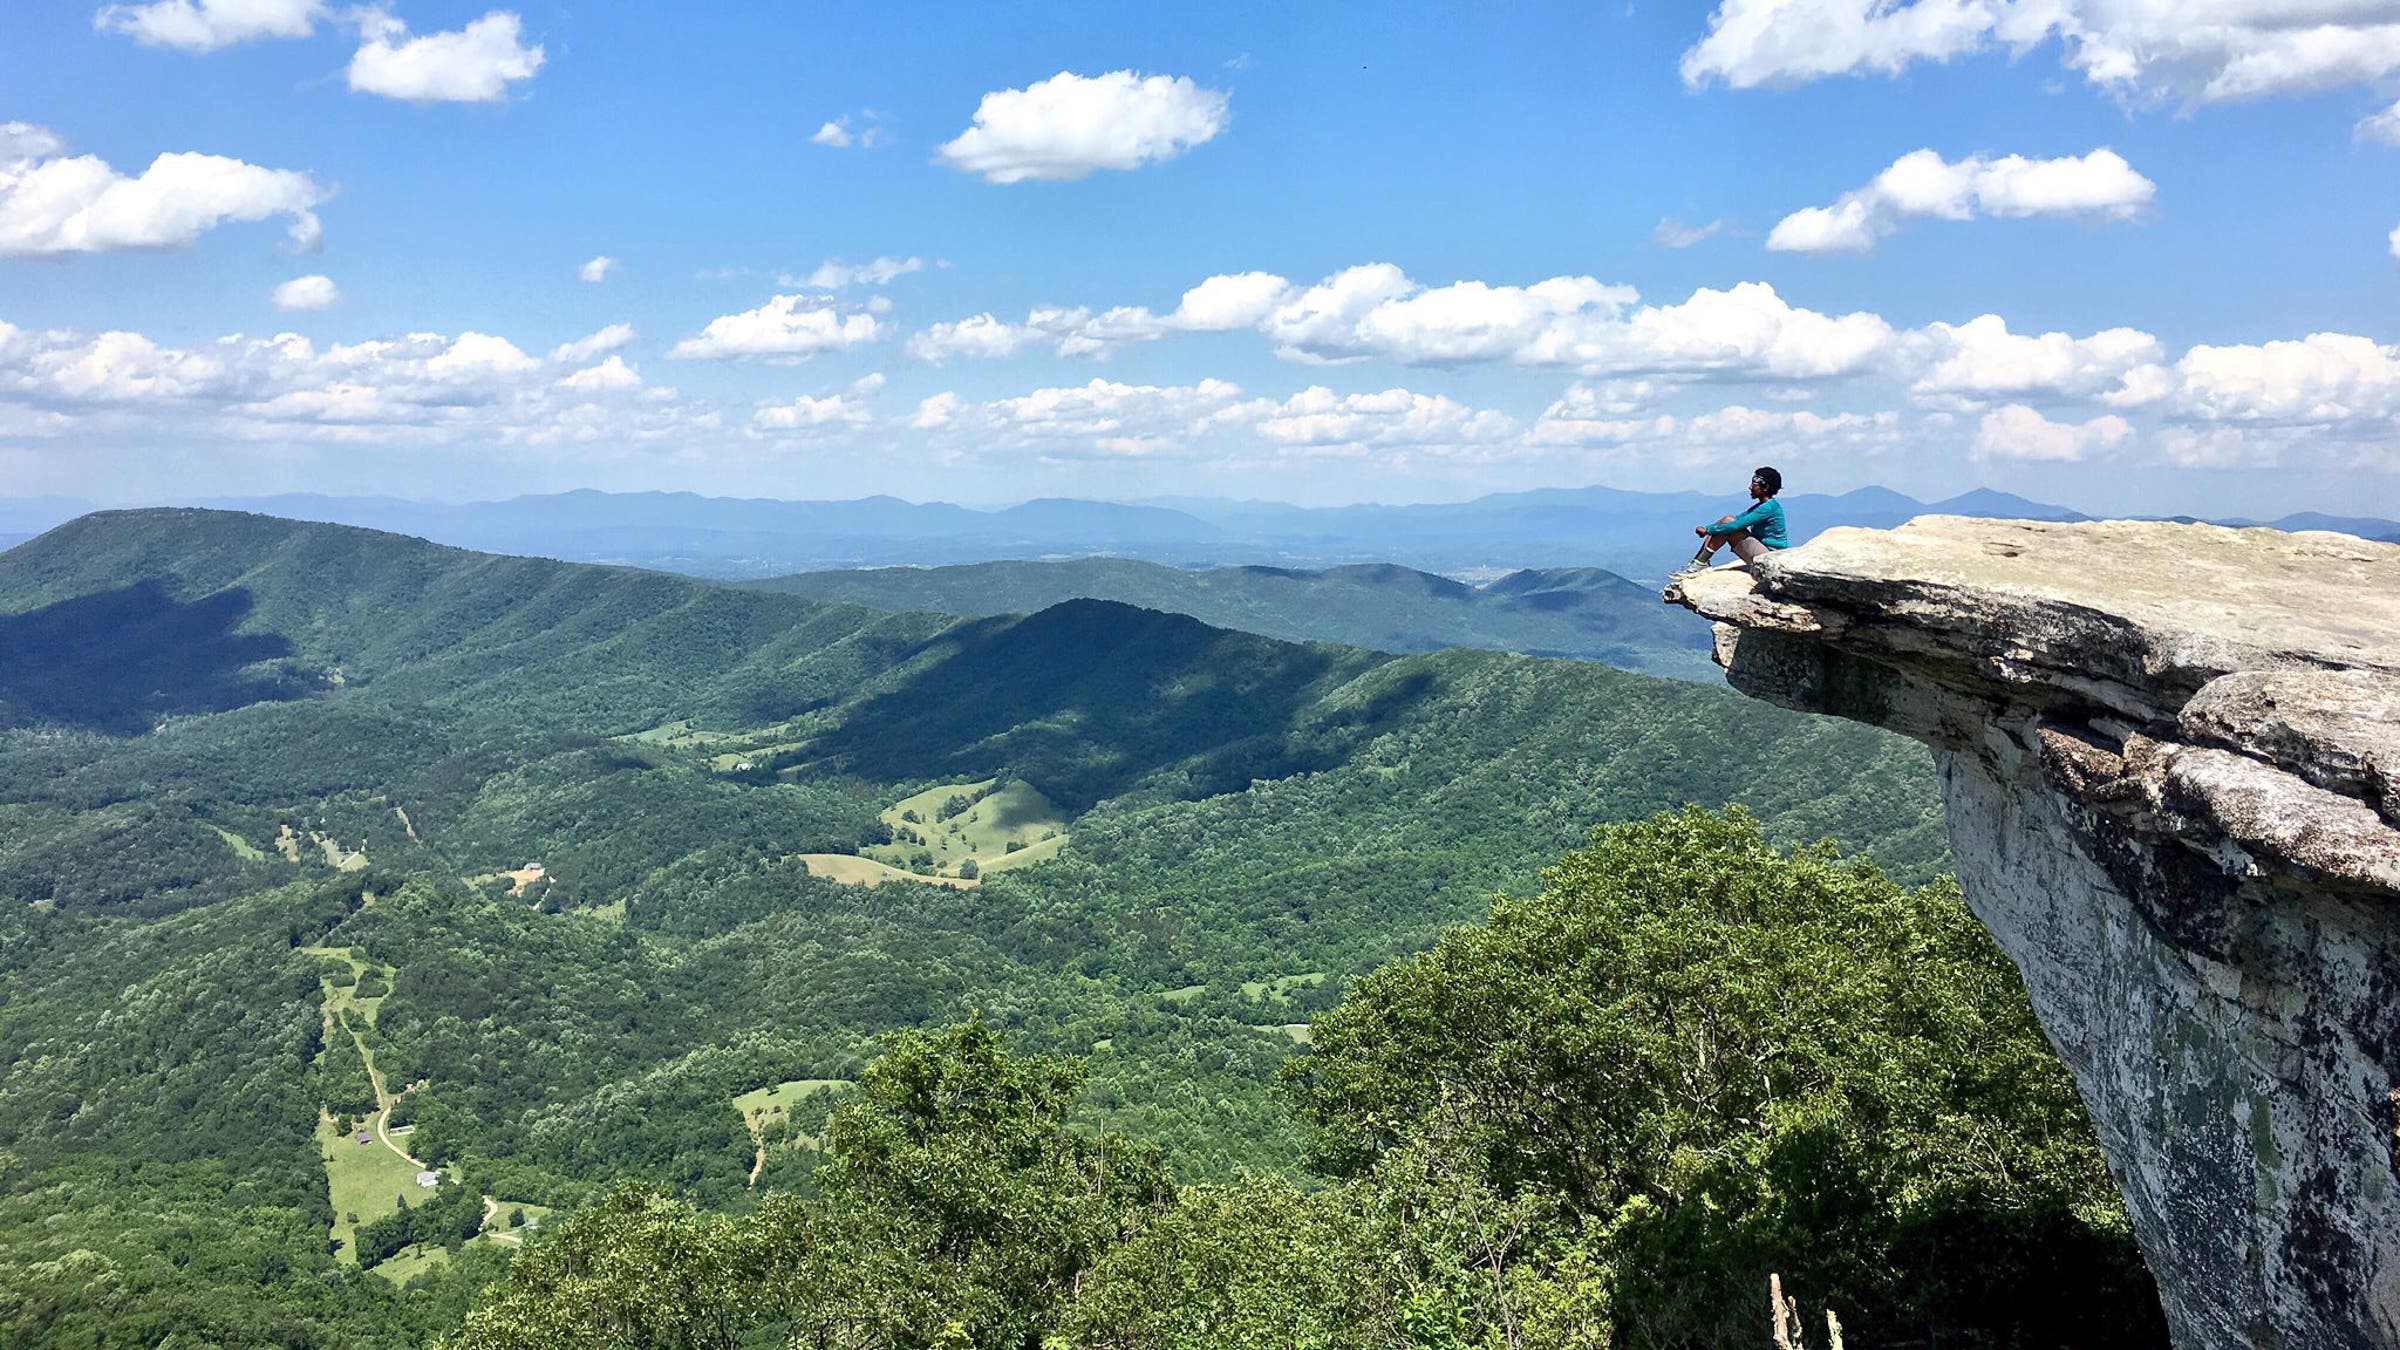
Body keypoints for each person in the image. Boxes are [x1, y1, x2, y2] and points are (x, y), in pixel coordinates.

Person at [1672, 466, 1786, 577]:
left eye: (1754, 485)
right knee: (1726, 521)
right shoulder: (1764, 506)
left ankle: (1699, 563)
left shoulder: (1767, 508)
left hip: (1771, 557)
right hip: (1766, 553)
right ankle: (1698, 562)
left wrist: (1707, 530)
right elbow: (1736, 520)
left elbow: (1734, 526)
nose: (1750, 487)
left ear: (1765, 488)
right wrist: (1711, 529)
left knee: (1728, 523)